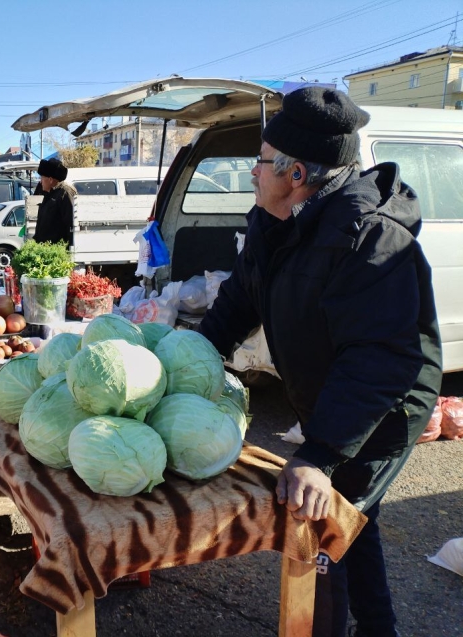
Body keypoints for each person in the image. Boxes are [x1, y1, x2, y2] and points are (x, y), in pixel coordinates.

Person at [197, 87, 442, 637]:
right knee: (356, 519)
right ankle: (379, 629)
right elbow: (242, 297)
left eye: (260, 163)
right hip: (332, 393)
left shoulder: (370, 236)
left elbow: (380, 358)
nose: (253, 174)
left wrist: (320, 454)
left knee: (327, 523)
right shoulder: (275, 219)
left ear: (297, 173)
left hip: (381, 408)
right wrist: (189, 358)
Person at [33, 158, 75, 247]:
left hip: (57, 251)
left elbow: (71, 225)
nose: (40, 181)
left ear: (51, 180)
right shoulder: (47, 193)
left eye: (42, 177)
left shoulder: (65, 193)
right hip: (44, 250)